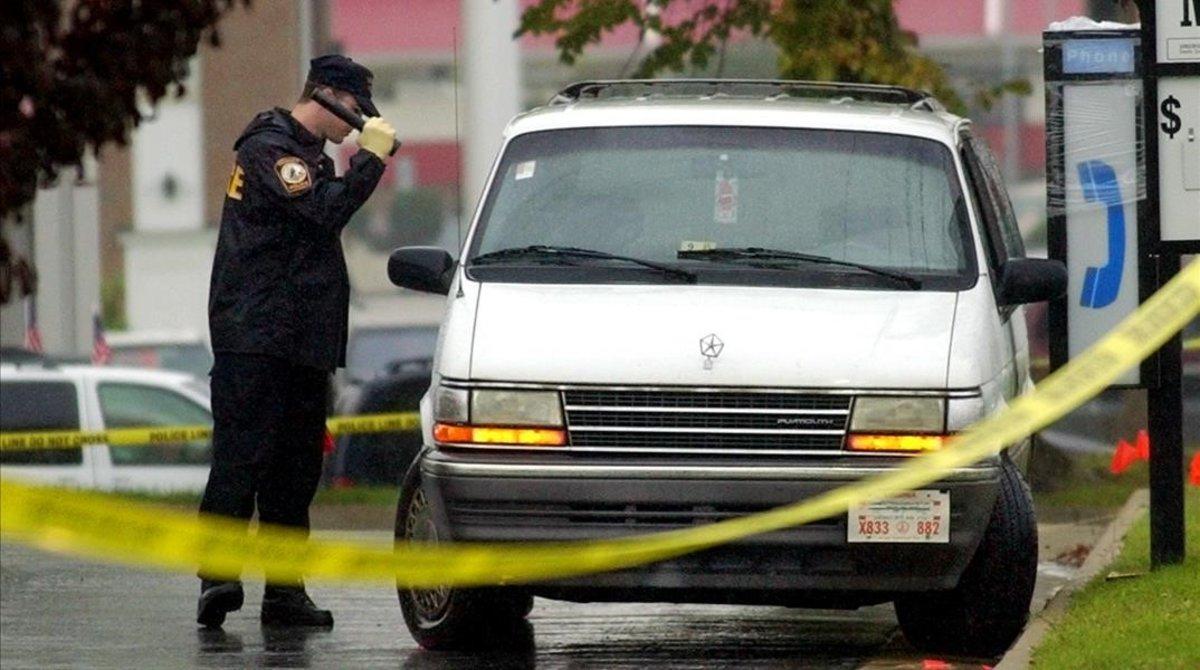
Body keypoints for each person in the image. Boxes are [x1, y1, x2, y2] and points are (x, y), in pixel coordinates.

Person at [196, 54, 396, 629]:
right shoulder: (270, 148)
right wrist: (371, 161)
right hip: (256, 339)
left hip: (303, 343)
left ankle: (284, 592)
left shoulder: (309, 157)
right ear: (329, 96)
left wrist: (356, 161)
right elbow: (321, 213)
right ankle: (218, 578)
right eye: (356, 112)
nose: (357, 124)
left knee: (294, 473)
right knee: (241, 460)